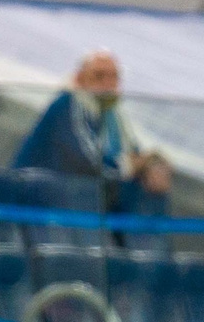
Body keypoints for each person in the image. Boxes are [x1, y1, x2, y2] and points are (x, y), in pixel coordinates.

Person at [13, 52, 173, 210]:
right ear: (80, 78)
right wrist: (129, 167)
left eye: (114, 77)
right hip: (34, 202)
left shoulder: (113, 115)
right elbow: (86, 159)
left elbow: (133, 154)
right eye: (99, 76)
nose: (108, 83)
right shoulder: (69, 103)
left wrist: (151, 165)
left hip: (74, 203)